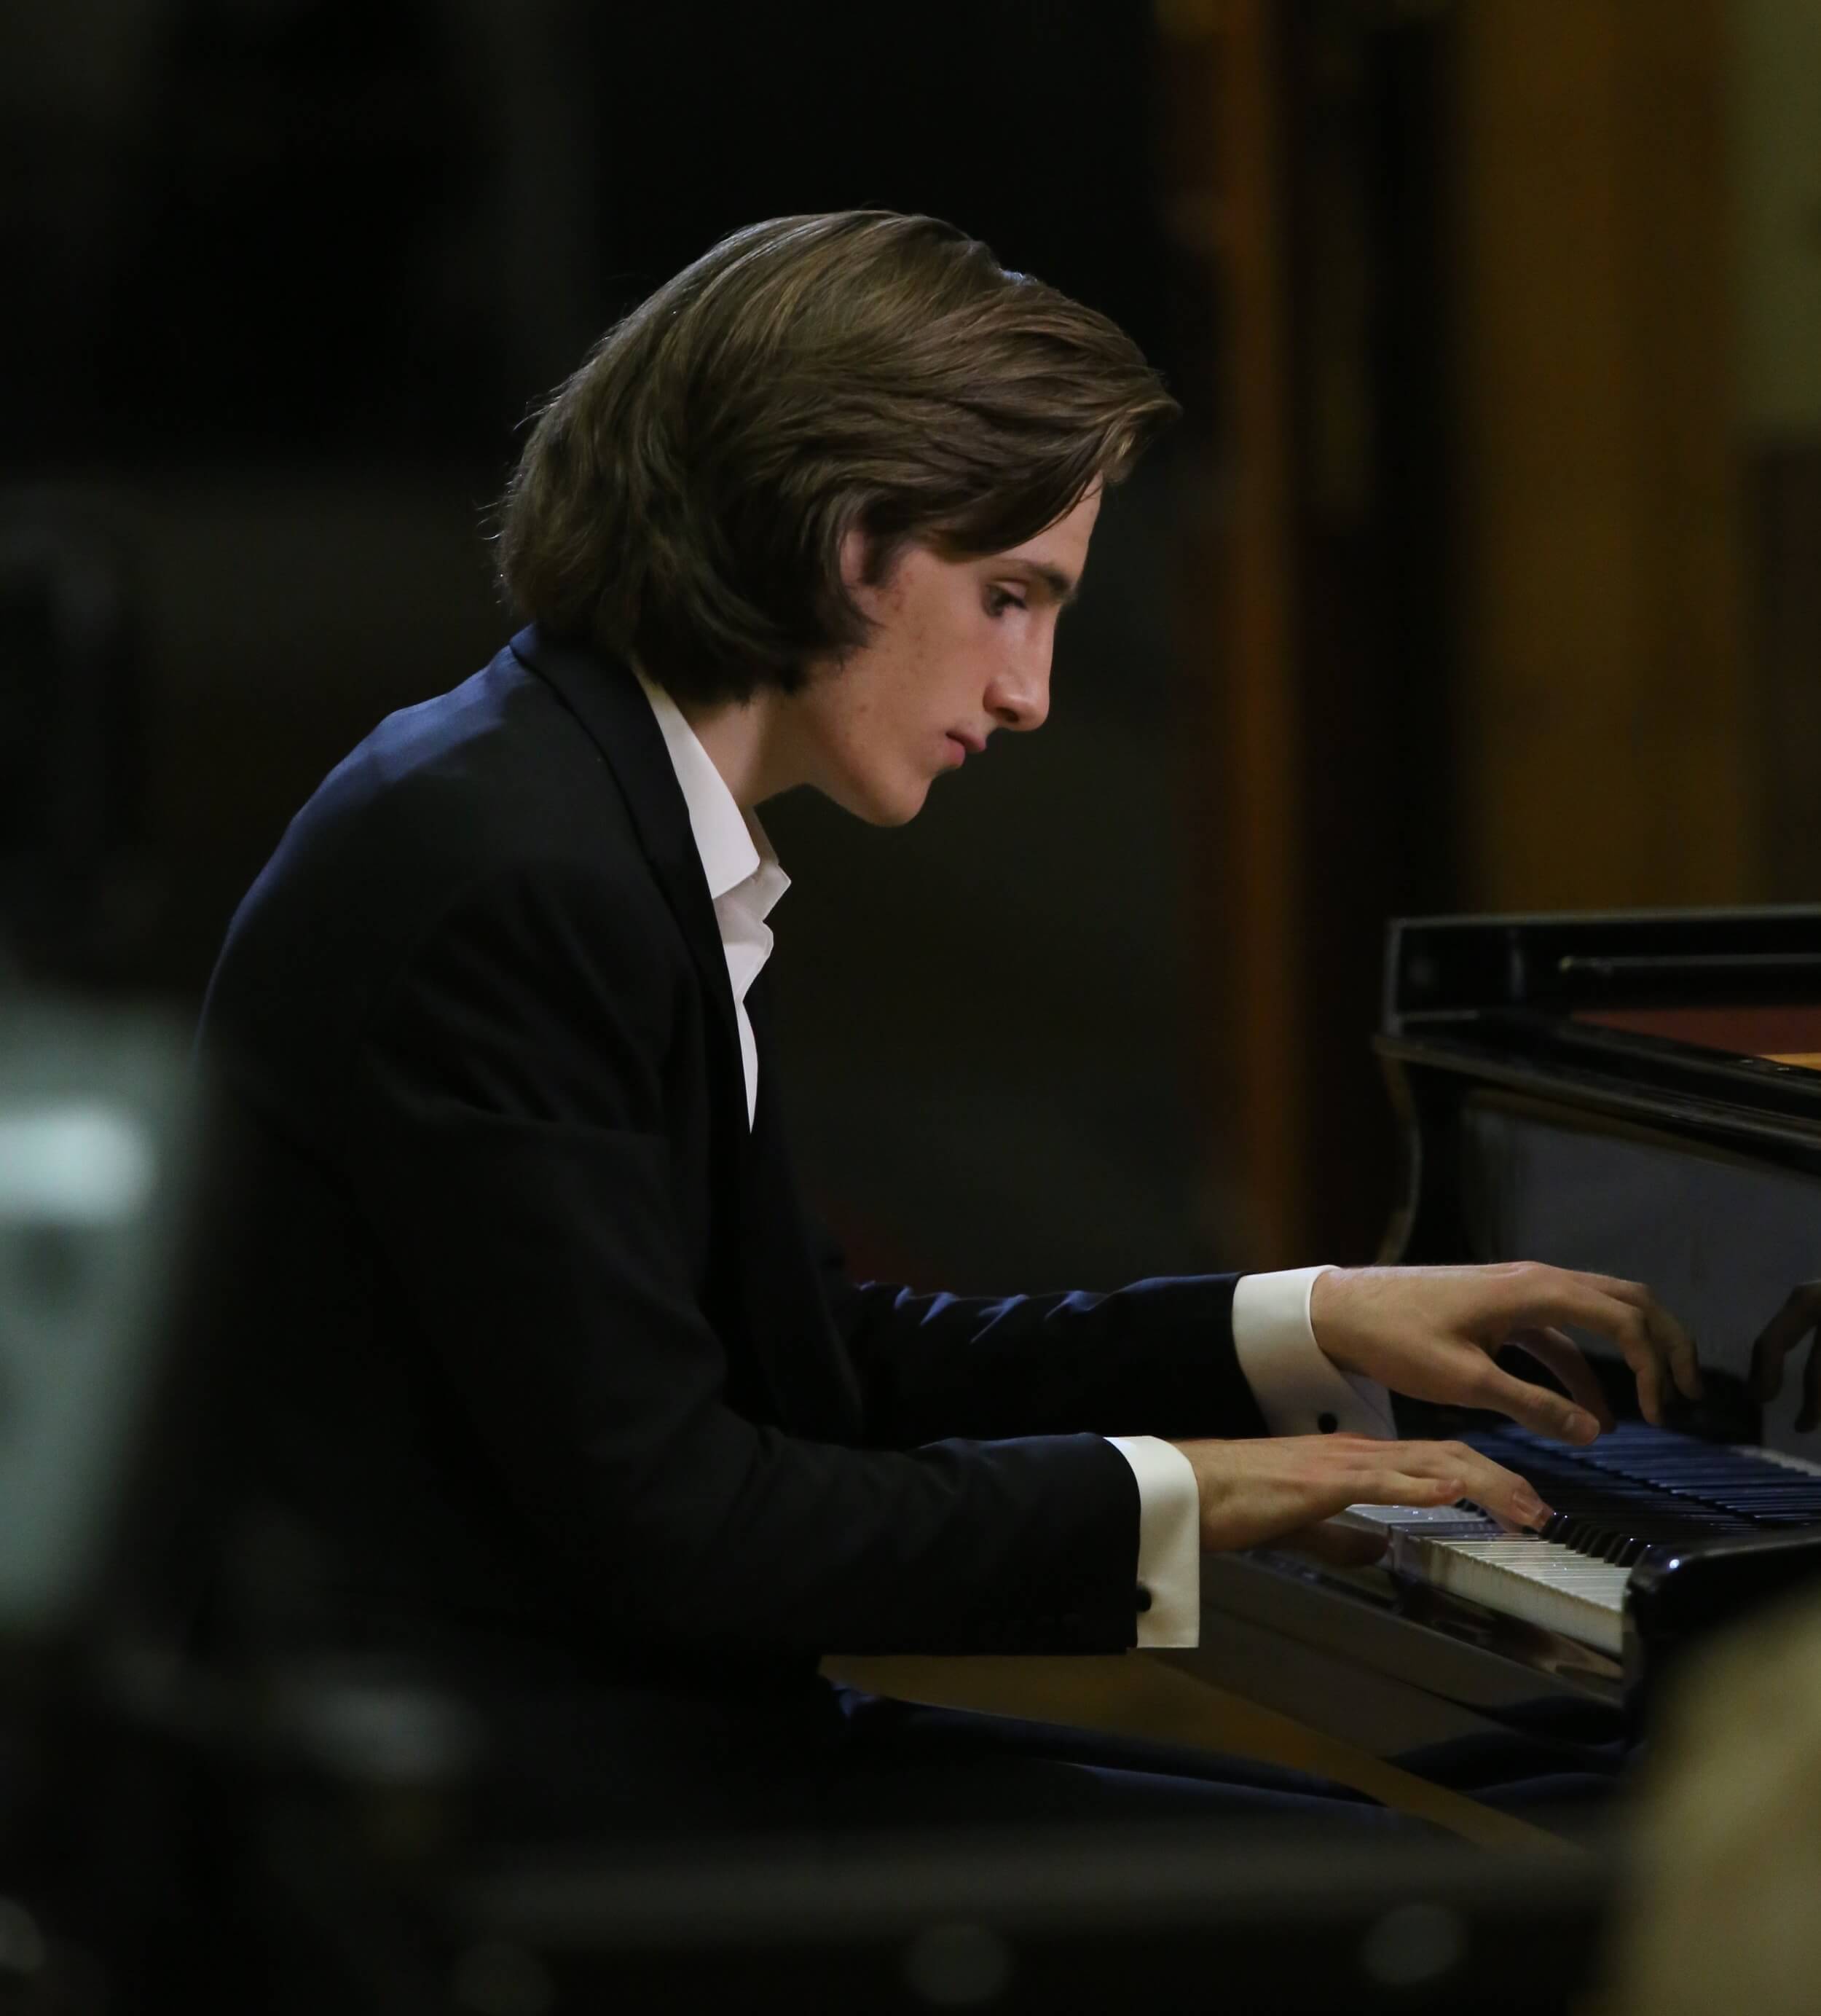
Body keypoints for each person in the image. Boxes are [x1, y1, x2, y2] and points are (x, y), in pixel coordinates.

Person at [195, 211, 1698, 1851]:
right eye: (1010, 597)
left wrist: (1303, 1323)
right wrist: (1195, 1494)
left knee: (1525, 1830)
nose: (1032, 690)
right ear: (849, 537)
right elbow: (688, 1527)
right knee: (1438, 1902)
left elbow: (815, 1370)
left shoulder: (581, 806)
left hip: (632, 1747)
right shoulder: (513, 869)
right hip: (501, 1826)